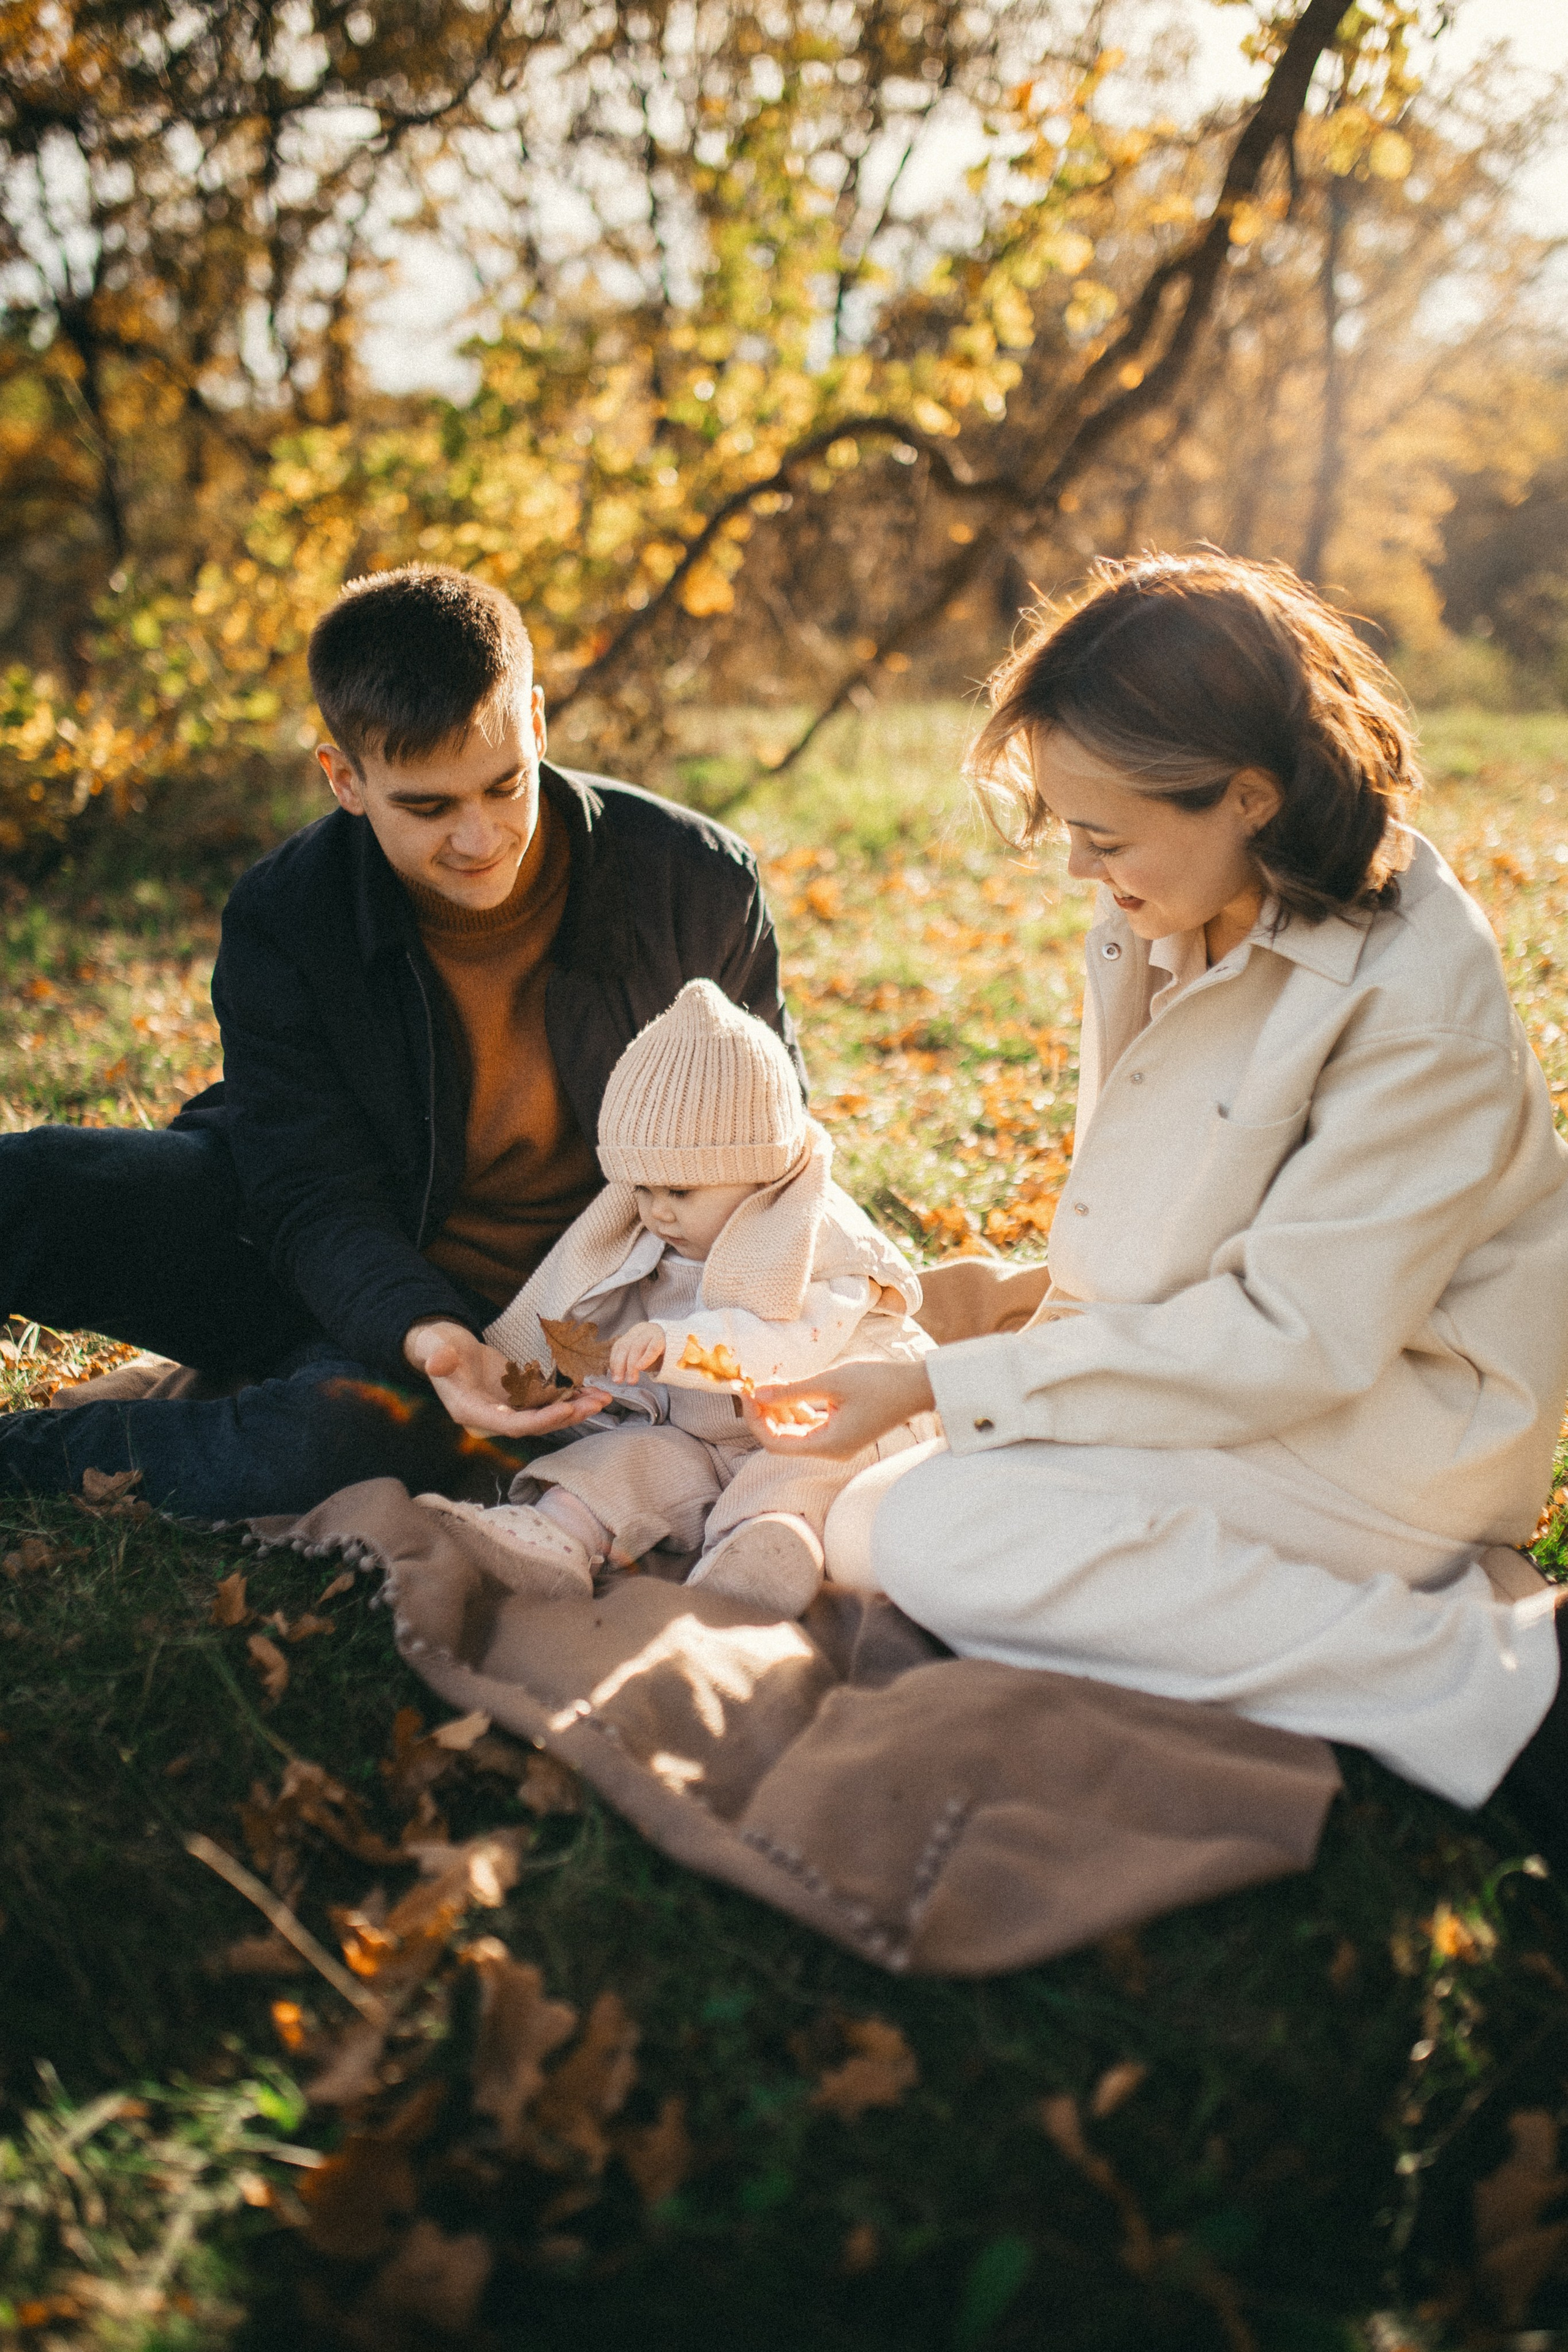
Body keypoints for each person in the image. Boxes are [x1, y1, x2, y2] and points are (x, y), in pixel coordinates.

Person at [745, 552, 1568, 1823]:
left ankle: (1490, 1687)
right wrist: (1016, 1321)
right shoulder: (1159, 907)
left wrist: (936, 1383)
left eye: (1104, 833)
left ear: (1247, 796)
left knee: (931, 1535)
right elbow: (1186, 1210)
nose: (1078, 867)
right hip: (1225, 1380)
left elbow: (1301, 1335)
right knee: (870, 1525)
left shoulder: (1411, 995)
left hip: (1384, 1429)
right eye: (1066, 827)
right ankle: (1314, 1621)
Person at [0, 567, 801, 1516]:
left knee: (342, 1440)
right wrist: (418, 1326)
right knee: (34, 1182)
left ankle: (38, 1454)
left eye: (505, 785)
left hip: (540, 1318)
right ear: (345, 778)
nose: (479, 838)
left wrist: (472, 1349)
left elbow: (772, 1153)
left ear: (537, 726)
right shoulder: (286, 912)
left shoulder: (695, 886)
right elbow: (306, 1191)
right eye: (427, 807)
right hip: (303, 1244)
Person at [423, 981, 935, 1615]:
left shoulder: (813, 1235)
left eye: (682, 1193)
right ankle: (552, 1535)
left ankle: (762, 1548)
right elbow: (615, 1320)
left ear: (761, 1170)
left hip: (820, 1419)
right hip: (701, 1431)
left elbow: (793, 1345)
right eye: (643, 1188)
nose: (657, 1212)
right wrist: (610, 1389)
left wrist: (677, 1346)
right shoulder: (645, 1235)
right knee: (625, 1460)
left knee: (797, 1476)